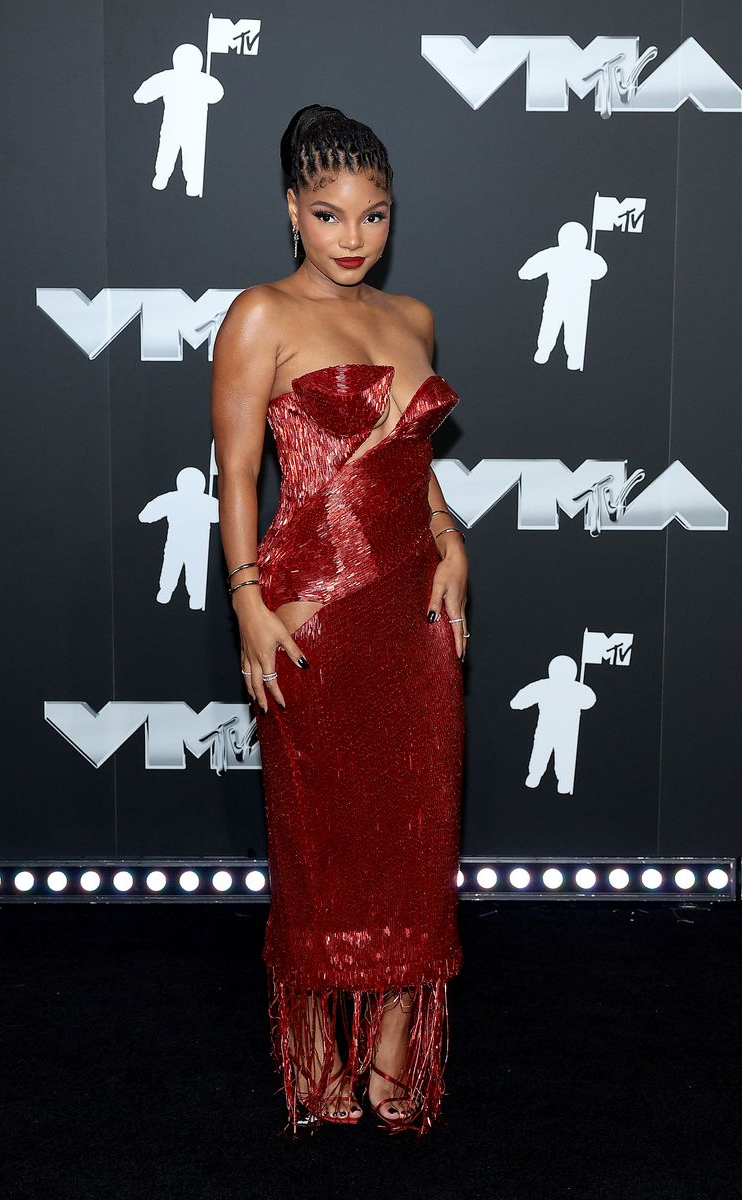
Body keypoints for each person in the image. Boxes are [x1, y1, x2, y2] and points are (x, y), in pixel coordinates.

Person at [210, 104, 469, 1136]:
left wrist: (449, 532)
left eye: (373, 214)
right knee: (320, 837)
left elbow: (410, 463)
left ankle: (396, 1046)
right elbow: (234, 474)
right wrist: (245, 604)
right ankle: (318, 1045)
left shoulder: (412, 319)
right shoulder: (259, 317)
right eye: (328, 215)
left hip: (411, 616)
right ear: (290, 211)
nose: (353, 237)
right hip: (308, 610)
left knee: (416, 830)